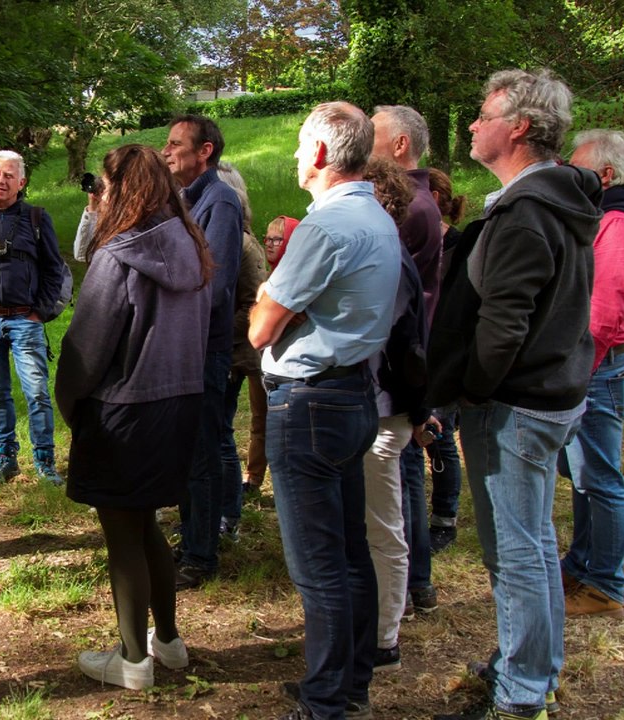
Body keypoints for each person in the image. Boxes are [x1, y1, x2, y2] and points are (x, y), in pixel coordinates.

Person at [427, 69, 601, 720]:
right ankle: (529, 668)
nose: (474, 124)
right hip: (547, 393)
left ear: (520, 127)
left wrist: (470, 391)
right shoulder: (553, 198)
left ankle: (522, 693)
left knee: (517, 549)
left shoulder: (528, 211)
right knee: (530, 542)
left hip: (518, 404)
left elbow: (503, 328)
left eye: (484, 114)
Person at [250, 101, 400, 720]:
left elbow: (261, 327)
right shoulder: (377, 216)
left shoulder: (325, 227)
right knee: (349, 552)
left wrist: (272, 295)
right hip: (352, 395)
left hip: (310, 403)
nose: (293, 156)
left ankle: (325, 703)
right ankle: (349, 684)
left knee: (319, 568)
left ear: (318, 153)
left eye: (298, 145)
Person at [55, 144, 213, 691]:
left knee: (124, 534)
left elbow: (85, 349)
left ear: (119, 190)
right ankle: (167, 642)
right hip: (180, 403)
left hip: (123, 410)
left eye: (104, 186)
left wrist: (71, 406)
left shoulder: (117, 255)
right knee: (145, 525)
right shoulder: (193, 245)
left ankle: (132, 660)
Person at [559, 129, 624, 619]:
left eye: (577, 169)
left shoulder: (619, 224)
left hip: (598, 368)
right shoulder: (610, 217)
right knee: (583, 476)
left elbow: (601, 316)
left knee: (600, 479)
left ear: (605, 174)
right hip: (595, 366)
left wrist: (575, 372)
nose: (569, 177)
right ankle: (581, 564)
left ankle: (604, 586)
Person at [358, 157, 434, 674]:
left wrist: (419, 411)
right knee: (373, 525)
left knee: (383, 529)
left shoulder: (390, 256)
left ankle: (384, 639)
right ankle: (374, 627)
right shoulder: (386, 249)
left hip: (385, 413)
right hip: (381, 409)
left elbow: (408, 347)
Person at [162, 114, 244, 589]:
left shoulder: (221, 202)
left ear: (205, 151)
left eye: (176, 143)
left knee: (203, 453)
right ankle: (192, 536)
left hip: (204, 350)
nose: (167, 151)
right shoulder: (186, 200)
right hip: (183, 348)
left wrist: (168, 308)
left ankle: (201, 556)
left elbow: (216, 285)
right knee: (186, 451)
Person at [370, 104, 443, 616]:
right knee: (404, 472)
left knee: (403, 476)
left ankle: (414, 583)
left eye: (371, 134)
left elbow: (392, 301)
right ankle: (415, 583)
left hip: (401, 365)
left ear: (400, 145)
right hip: (404, 362)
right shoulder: (412, 202)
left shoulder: (410, 207)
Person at [0, 150, 68, 485]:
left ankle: (44, 461)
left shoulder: (37, 218)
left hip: (25, 319)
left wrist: (39, 312)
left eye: (9, 175)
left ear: (21, 182)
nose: (1, 181)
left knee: (36, 392)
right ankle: (5, 457)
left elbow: (54, 269)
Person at [215, 161, 268, 539]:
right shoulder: (222, 238)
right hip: (215, 352)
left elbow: (252, 306)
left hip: (231, 356)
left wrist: (207, 331)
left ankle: (228, 515)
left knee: (220, 435)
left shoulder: (244, 244)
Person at [425, 166, 468, 554]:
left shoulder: (459, 246)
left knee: (440, 440)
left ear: (433, 199)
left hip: (446, 358)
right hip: (419, 354)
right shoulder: (417, 242)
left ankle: (444, 520)